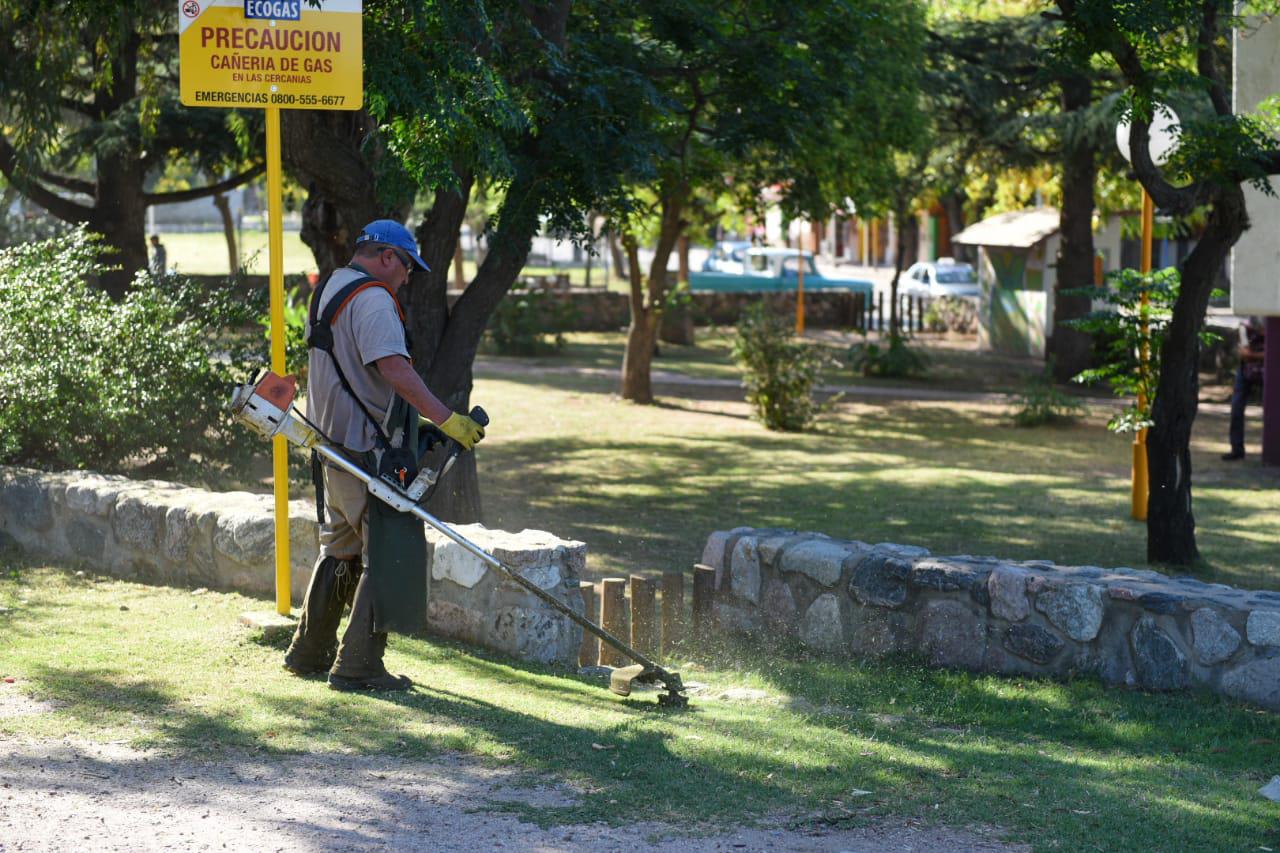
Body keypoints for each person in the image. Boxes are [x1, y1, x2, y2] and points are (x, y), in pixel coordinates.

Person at [283, 219, 487, 691]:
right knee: (389, 550)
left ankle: (309, 652)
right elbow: (392, 367)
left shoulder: (333, 286)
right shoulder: (373, 298)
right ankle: (358, 666)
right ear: (388, 257)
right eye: (409, 265)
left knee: (340, 548)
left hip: (333, 448)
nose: (410, 276)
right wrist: (446, 418)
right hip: (367, 453)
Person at [1223, 315, 1266, 461]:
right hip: (1246, 371)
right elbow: (1245, 354)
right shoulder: (1245, 327)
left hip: (1268, 371)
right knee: (1236, 409)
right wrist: (1263, 355)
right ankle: (1237, 449)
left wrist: (1257, 355)